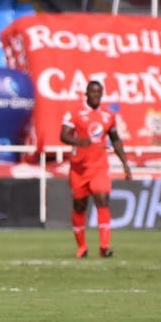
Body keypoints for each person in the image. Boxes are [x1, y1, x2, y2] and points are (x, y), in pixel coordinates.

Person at [59, 81, 132, 260]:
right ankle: (82, 247)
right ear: (86, 93)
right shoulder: (75, 113)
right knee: (79, 206)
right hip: (79, 169)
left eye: (99, 93)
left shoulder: (108, 115)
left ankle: (104, 247)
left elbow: (115, 140)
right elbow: (63, 135)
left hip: (99, 167)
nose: (96, 95)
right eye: (93, 92)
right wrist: (78, 142)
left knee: (102, 199)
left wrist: (125, 163)